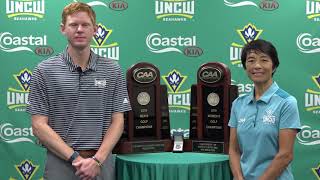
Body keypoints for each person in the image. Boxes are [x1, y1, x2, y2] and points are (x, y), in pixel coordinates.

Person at [27, 2, 131, 180]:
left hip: (101, 163)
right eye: (73, 25)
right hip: (60, 164)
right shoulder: (44, 70)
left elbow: (118, 122)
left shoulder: (112, 69)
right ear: (63, 29)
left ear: (95, 29)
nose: (80, 29)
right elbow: (38, 126)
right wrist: (75, 158)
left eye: (85, 25)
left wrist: (97, 160)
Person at [228, 39, 301, 180]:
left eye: (264, 60)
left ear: (274, 66)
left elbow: (285, 155)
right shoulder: (238, 104)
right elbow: (234, 150)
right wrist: (238, 177)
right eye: (251, 60)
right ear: (245, 67)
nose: (257, 66)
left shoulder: (287, 102)